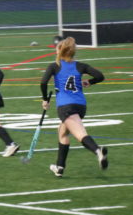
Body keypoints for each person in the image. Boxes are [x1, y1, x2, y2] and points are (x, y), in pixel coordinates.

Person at [40, 37, 108, 177]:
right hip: (80, 105)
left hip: (66, 106)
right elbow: (100, 76)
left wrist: (45, 99)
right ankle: (59, 167)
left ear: (60, 50)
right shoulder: (80, 65)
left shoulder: (54, 66)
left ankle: (97, 150)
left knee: (80, 134)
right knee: (62, 132)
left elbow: (43, 82)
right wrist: (90, 82)